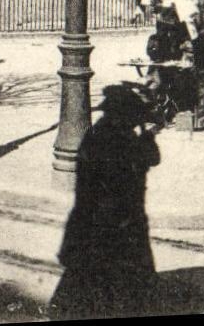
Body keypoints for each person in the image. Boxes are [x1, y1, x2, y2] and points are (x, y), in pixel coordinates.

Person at [50, 84, 160, 319]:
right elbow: (109, 182)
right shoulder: (103, 138)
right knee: (102, 279)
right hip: (107, 221)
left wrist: (146, 134)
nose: (135, 120)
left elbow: (152, 158)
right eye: (134, 116)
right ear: (121, 115)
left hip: (123, 219)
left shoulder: (124, 136)